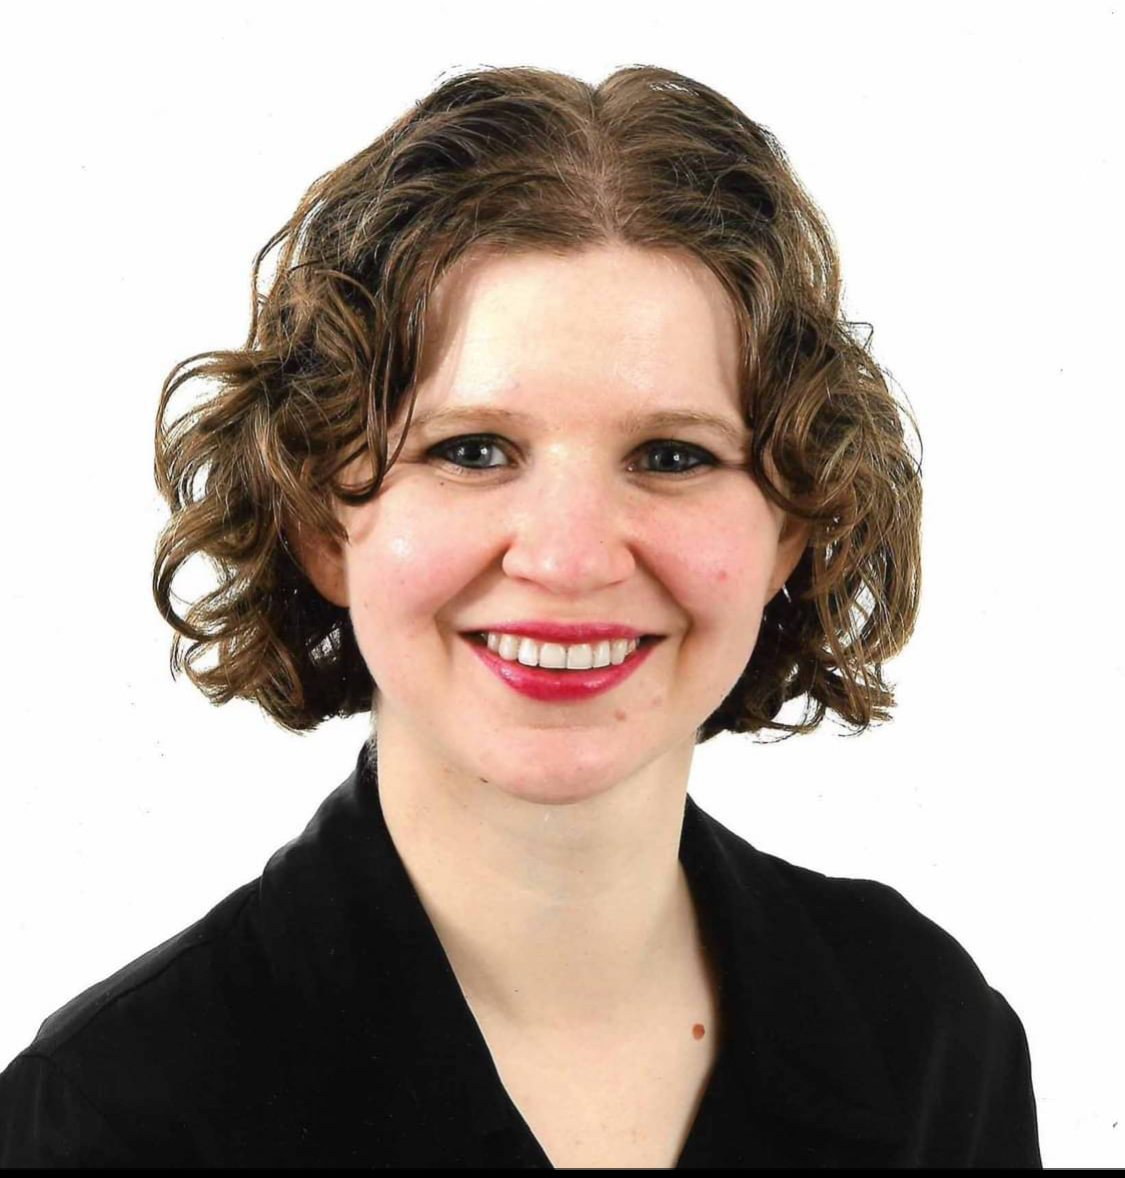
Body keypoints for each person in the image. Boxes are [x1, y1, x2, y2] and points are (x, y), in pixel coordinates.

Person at [0, 64, 1040, 1168]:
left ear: (792, 525)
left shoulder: (930, 1038)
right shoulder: (110, 1118)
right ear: (319, 519)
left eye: (674, 454)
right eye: (472, 450)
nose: (571, 555)